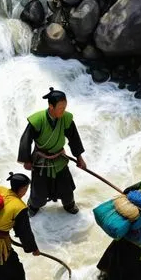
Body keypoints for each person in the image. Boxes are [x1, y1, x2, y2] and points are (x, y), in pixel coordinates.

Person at [17, 87, 87, 217]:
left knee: (66, 189)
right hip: (40, 161)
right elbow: (26, 140)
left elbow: (74, 138)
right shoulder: (38, 120)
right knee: (38, 191)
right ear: (51, 106)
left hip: (59, 159)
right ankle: (33, 205)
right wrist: (26, 160)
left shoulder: (66, 118)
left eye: (64, 107)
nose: (63, 111)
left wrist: (79, 158)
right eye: (60, 108)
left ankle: (69, 204)